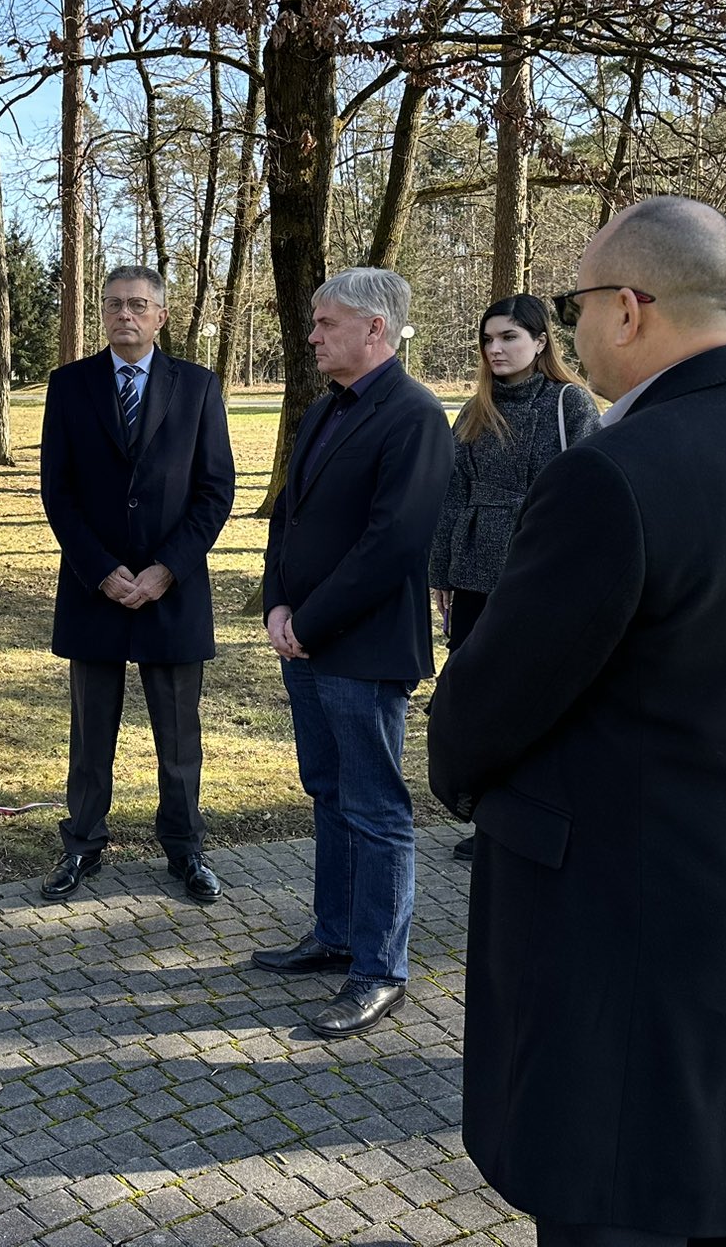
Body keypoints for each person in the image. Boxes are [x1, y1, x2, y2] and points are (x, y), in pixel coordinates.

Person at [425, 197, 726, 1247]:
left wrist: (460, 773)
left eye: (576, 304)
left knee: (612, 1215)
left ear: (627, 308)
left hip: (621, 942)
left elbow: (485, 704)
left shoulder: (611, 475)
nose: (574, 329)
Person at [250, 266, 451, 1037]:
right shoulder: (324, 409)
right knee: (328, 791)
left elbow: (394, 543)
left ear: (376, 329)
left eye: (325, 322)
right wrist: (275, 601)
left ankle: (379, 969)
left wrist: (312, 619)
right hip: (304, 641)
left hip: (362, 650)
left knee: (376, 809)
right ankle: (334, 935)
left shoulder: (415, 416)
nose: (311, 335)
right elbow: (286, 518)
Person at [37, 265, 237, 905]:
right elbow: (58, 491)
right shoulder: (69, 386)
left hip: (171, 592)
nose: (126, 314)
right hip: (94, 589)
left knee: (179, 739)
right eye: (116, 304)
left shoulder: (199, 387)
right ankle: (81, 847)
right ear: (102, 312)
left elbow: (214, 490)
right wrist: (100, 570)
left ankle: (186, 851)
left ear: (161, 317)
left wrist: (165, 569)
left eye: (140, 305)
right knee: (90, 734)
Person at [429, 294, 600, 860]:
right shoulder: (475, 408)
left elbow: (590, 491)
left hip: (540, 568)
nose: (496, 349)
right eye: (488, 338)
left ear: (541, 341)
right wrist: (442, 571)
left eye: (509, 337)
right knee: (481, 697)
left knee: (534, 693)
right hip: (476, 571)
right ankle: (491, 817)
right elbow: (452, 496)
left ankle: (538, 812)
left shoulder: (568, 402)